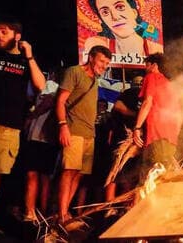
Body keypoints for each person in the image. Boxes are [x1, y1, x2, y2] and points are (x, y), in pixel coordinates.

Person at [0, 20, 46, 233]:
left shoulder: (24, 62)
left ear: (17, 36)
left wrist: (29, 56)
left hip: (9, 128)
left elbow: (41, 85)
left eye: (4, 31)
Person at [56, 45, 111, 228]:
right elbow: (61, 101)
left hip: (90, 134)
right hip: (74, 131)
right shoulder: (74, 72)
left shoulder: (95, 80)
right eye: (102, 61)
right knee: (69, 171)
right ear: (92, 57)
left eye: (107, 63)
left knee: (79, 174)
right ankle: (62, 214)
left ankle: (65, 213)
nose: (104, 66)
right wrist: (63, 126)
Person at [84, 0, 163, 58]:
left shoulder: (156, 50)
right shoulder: (97, 45)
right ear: (102, 20)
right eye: (105, 12)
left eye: (120, 7)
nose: (115, 17)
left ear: (134, 12)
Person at [133, 54, 182, 183]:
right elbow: (179, 114)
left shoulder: (151, 77)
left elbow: (147, 103)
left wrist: (137, 128)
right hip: (170, 138)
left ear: (154, 65)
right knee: (164, 175)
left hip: (156, 135)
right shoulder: (170, 84)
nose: (145, 69)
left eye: (147, 65)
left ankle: (144, 203)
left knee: (148, 177)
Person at [21, 70, 60, 222]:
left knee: (32, 174)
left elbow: (48, 101)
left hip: (39, 137)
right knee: (44, 178)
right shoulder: (59, 87)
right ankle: (42, 212)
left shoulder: (51, 85)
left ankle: (30, 212)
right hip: (48, 139)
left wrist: (31, 116)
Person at [105, 76, 143, 211]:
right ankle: (109, 207)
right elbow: (118, 106)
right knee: (115, 172)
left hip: (136, 142)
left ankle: (122, 207)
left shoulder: (146, 96)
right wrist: (135, 115)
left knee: (129, 175)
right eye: (139, 83)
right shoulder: (129, 93)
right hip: (122, 139)